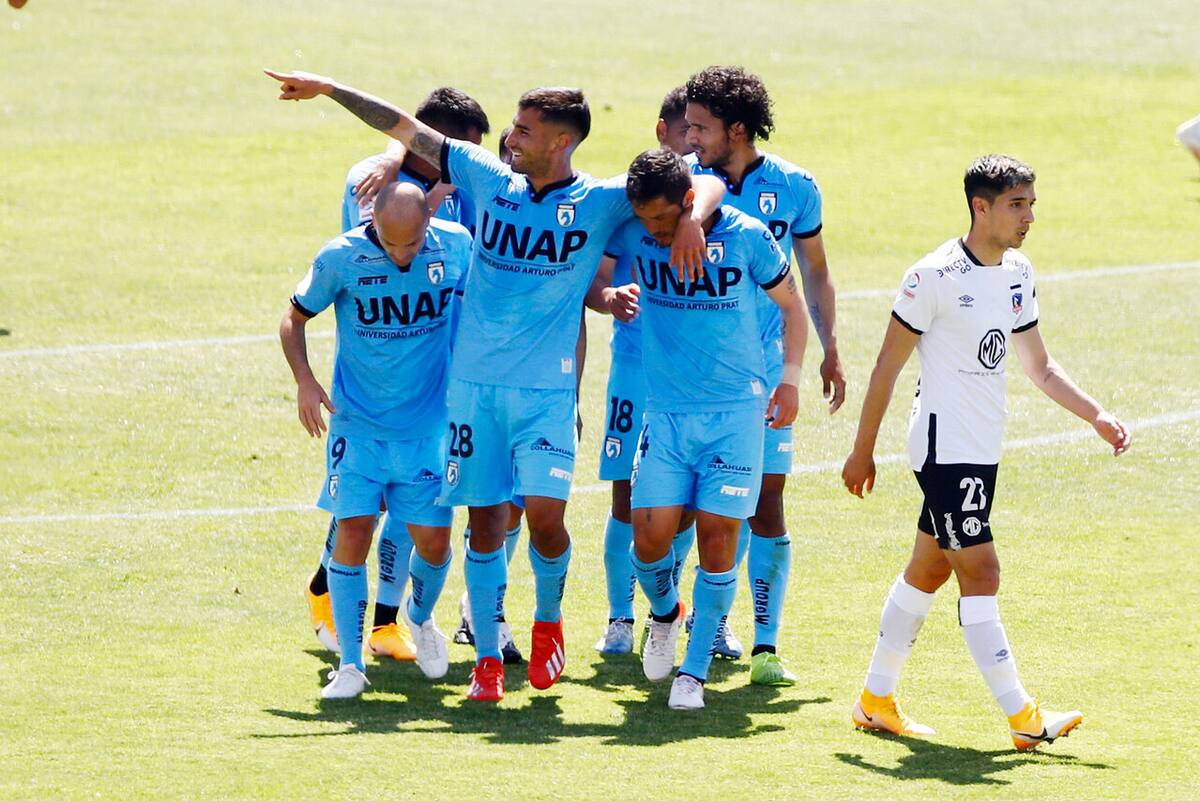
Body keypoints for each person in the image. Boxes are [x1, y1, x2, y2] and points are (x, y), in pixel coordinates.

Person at [265, 68, 725, 702]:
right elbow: (405, 126)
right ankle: (484, 659)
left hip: (546, 396)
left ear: (561, 143)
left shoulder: (599, 201)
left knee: (544, 521)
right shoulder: (489, 179)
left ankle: (548, 621)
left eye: (525, 129)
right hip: (473, 392)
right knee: (484, 527)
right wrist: (329, 88)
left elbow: (701, 179)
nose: (510, 136)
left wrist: (696, 220)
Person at [841, 154, 1131, 748]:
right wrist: (861, 450)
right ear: (981, 206)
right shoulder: (934, 277)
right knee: (983, 570)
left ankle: (875, 699)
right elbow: (886, 367)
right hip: (944, 451)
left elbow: (1039, 366)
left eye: (1031, 204)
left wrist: (1095, 414)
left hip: (980, 450)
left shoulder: (1019, 272)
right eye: (1016, 205)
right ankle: (1024, 718)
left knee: (927, 571)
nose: (1028, 217)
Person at [611, 149, 809, 710]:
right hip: (667, 414)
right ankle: (666, 613)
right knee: (648, 541)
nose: (651, 229)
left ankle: (693, 673)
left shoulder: (746, 237)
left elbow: (794, 309)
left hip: (734, 416)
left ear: (688, 203)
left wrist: (789, 381)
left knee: (719, 538)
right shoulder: (637, 227)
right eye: (644, 219)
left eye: (662, 218)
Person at [306, 87, 492, 665]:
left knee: (415, 505)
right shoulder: (374, 179)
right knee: (367, 503)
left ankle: (388, 619)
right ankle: (326, 590)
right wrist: (402, 169)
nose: (461, 160)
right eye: (455, 148)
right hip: (379, 369)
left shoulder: (458, 182)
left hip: (441, 371)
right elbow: (385, 237)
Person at [683, 64, 846, 682]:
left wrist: (829, 347)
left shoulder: (796, 187)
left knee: (767, 500)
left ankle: (767, 646)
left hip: (770, 371)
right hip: (698, 374)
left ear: (738, 128)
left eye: (701, 126)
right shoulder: (685, 184)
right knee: (701, 507)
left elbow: (817, 272)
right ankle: (694, 619)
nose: (690, 136)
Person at [280, 183, 471, 699]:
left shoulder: (455, 245)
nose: (404, 255)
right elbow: (293, 319)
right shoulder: (341, 257)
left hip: (428, 431)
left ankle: (420, 617)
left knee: (434, 543)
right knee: (353, 534)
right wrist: (304, 379)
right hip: (358, 428)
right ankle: (349, 663)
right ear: (374, 226)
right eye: (393, 244)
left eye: (413, 244)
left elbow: (485, 309)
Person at [588, 86, 700, 656]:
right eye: (686, 133)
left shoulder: (705, 206)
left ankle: (669, 610)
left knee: (683, 504)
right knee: (624, 495)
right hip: (633, 368)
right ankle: (617, 618)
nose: (693, 145)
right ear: (664, 131)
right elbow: (593, 285)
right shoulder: (626, 208)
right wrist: (610, 297)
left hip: (690, 380)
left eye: (700, 134)